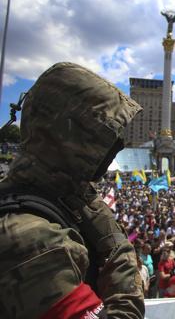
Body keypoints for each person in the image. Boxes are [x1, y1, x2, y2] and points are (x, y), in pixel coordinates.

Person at [0, 62, 144, 318]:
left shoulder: (42, 201)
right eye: (105, 135)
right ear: (72, 139)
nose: (116, 146)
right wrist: (117, 248)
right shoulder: (31, 241)